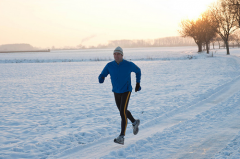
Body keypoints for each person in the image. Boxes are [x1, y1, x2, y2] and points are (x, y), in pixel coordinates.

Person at [98, 46, 141, 145]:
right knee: (123, 111)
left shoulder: (128, 65)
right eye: (114, 54)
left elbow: (138, 71)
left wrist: (137, 83)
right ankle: (134, 122)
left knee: (122, 112)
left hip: (126, 90)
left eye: (118, 54)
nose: (116, 56)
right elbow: (103, 74)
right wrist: (101, 77)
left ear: (122, 55)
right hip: (116, 91)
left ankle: (122, 136)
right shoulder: (110, 65)